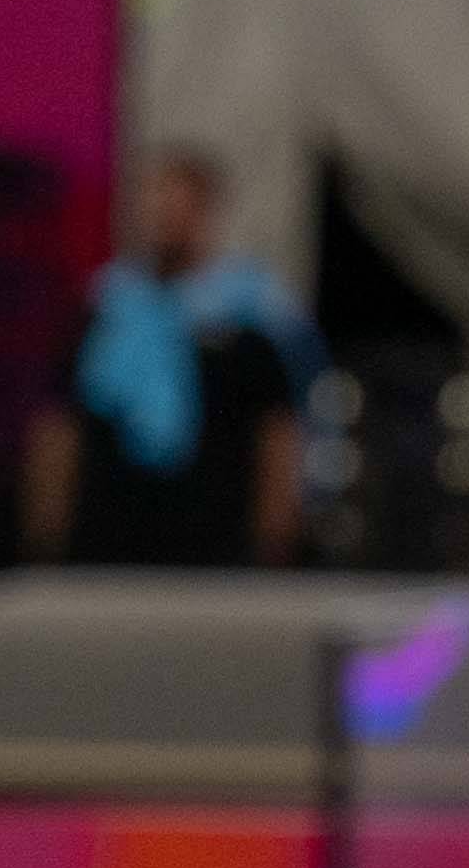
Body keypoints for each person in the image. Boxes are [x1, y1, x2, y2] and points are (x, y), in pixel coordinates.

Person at [27, 145, 315, 569]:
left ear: (207, 213)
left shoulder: (247, 318)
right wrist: (47, 516)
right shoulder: (105, 310)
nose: (165, 217)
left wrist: (276, 527)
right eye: (156, 202)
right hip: (109, 532)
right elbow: (60, 421)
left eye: (179, 205)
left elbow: (276, 429)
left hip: (212, 537)